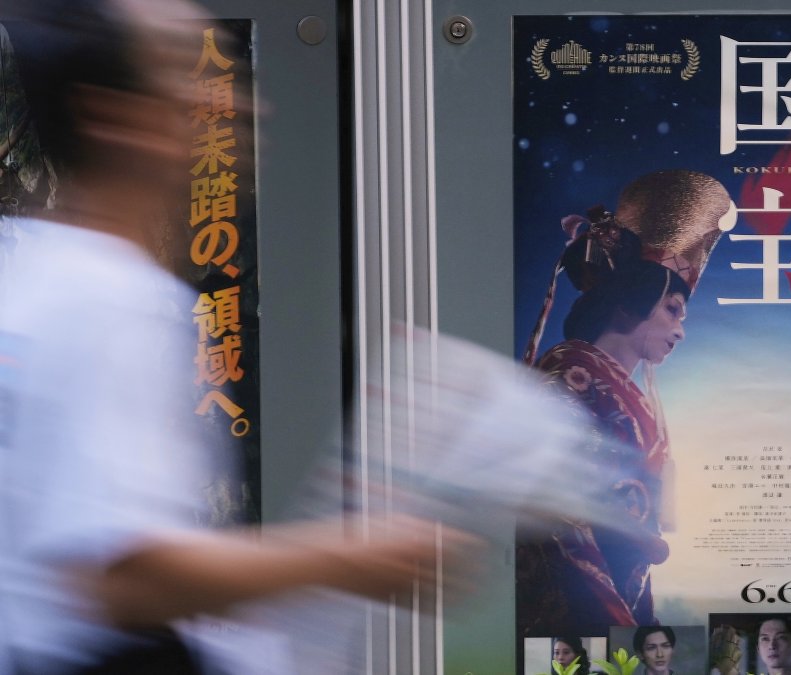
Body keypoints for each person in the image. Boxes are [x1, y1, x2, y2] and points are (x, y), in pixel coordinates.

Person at [0, 2, 484, 673]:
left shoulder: (32, 278)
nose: (230, 104)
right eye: (183, 78)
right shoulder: (105, 300)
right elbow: (123, 574)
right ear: (111, 116)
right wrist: (354, 556)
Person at [516, 171, 734, 637]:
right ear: (631, 301)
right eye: (672, 310)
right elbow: (555, 506)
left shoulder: (607, 383)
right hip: (576, 599)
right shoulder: (567, 375)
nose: (680, 330)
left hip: (622, 584)